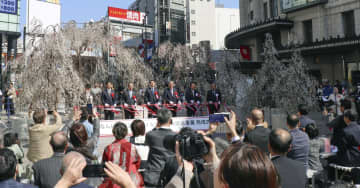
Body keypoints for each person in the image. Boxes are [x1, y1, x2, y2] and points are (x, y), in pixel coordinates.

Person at [101, 122, 144, 188]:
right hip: (132, 180)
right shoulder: (132, 147)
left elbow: (105, 165)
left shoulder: (108, 148)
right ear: (126, 133)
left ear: (114, 133)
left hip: (115, 180)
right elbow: (138, 162)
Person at [144, 108, 177, 187]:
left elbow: (147, 144)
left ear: (157, 121)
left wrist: (156, 127)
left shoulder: (150, 134)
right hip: (171, 175)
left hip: (153, 174)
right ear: (170, 121)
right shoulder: (175, 136)